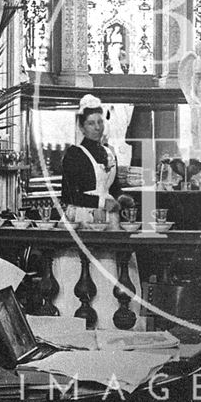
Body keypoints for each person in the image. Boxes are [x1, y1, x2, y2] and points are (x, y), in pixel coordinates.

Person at [56, 94, 143, 329]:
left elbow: (114, 188)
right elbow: (70, 196)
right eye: (91, 123)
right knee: (86, 268)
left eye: (100, 122)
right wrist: (103, 204)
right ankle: (85, 323)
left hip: (110, 218)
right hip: (84, 217)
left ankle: (116, 323)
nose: (97, 127)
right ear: (81, 126)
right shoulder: (74, 155)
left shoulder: (109, 152)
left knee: (116, 269)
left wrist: (122, 199)